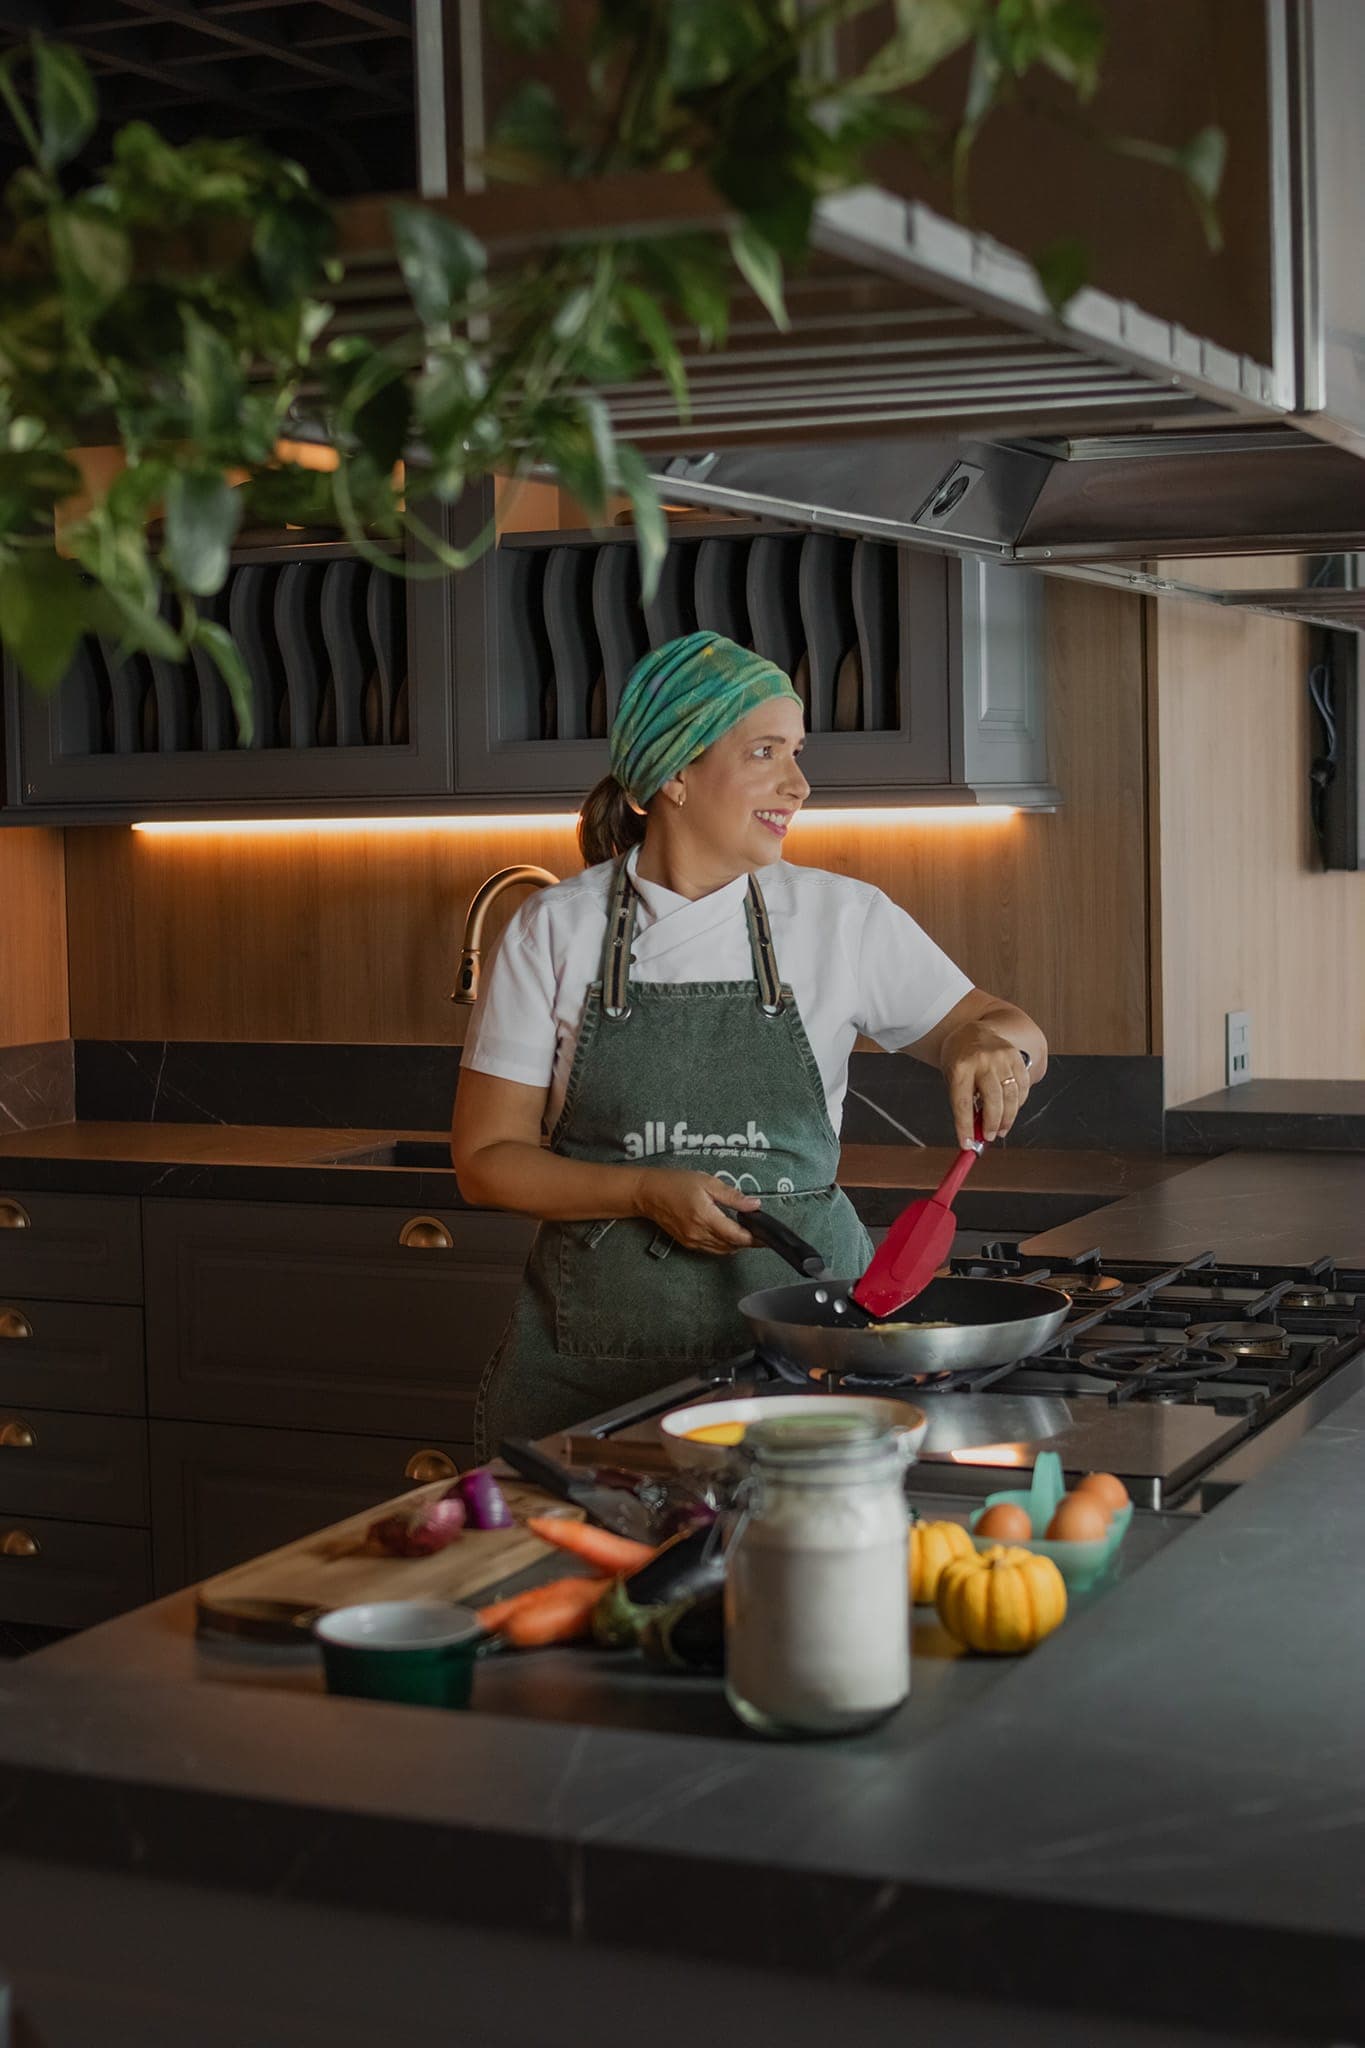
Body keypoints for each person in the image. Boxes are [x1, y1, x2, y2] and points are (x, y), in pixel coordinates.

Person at [452, 630, 1047, 1454]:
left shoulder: (840, 918)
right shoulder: (555, 928)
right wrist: (640, 1193)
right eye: (765, 751)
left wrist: (990, 1045)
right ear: (672, 773)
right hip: (592, 1381)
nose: (798, 784)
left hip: (808, 1364)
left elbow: (1011, 1029)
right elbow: (484, 1159)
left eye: (797, 753)